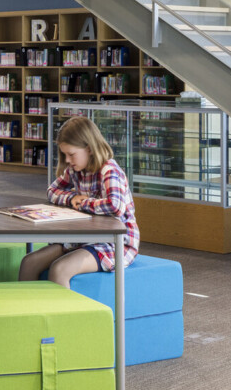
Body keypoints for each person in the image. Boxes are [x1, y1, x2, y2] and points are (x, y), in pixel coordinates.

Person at [17, 115, 139, 286]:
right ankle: (28, 312)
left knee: (60, 268)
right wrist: (72, 198)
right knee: (29, 262)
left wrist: (83, 203)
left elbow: (115, 206)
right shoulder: (75, 170)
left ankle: (63, 313)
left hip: (114, 244)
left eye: (71, 154)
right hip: (82, 238)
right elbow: (52, 190)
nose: (67, 160)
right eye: (65, 154)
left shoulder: (109, 171)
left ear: (89, 148)